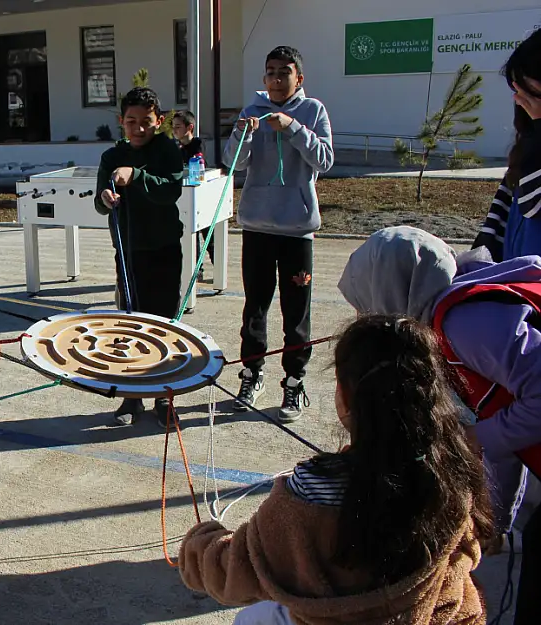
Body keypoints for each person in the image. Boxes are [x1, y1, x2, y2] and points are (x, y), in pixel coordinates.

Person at [180, 314, 492, 625]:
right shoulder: (454, 474)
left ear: (345, 398)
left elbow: (235, 571)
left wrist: (199, 544)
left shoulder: (311, 495)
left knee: (253, 619)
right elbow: (464, 564)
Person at [339, 225, 541, 624]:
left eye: (366, 306)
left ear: (391, 289)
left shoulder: (463, 324)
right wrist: (492, 519)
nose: (367, 320)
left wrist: (477, 438)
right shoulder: (449, 316)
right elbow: (506, 420)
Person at [225, 45, 334, 423]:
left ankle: (294, 381)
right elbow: (233, 162)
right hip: (256, 226)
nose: (275, 78)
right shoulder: (251, 110)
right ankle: (251, 374)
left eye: (283, 72)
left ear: (298, 78)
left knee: (295, 311)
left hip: (296, 230)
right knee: (254, 307)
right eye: (270, 71)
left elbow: (324, 159)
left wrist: (293, 128)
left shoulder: (313, 111)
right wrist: (244, 134)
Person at [94, 86, 185, 426]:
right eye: (131, 121)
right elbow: (99, 204)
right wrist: (105, 197)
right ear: (121, 122)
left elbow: (171, 188)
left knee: (163, 323)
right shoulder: (111, 157)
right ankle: (132, 397)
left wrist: (138, 175)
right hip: (128, 252)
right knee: (130, 323)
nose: (138, 128)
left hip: (163, 249)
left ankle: (164, 395)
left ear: (159, 121)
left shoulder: (167, 149)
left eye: (146, 121)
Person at [474, 28, 541, 261]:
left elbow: (535, 204)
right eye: (516, 91)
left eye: (531, 94)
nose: (520, 102)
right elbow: (496, 226)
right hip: (521, 291)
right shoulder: (528, 145)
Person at [172, 110, 214, 278]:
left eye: (178, 126)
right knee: (191, 234)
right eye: (173, 126)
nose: (174, 130)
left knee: (209, 235)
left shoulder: (197, 144)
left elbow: (198, 162)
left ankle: (217, 264)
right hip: (187, 195)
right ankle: (198, 270)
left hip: (203, 195)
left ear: (190, 127)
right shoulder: (175, 147)